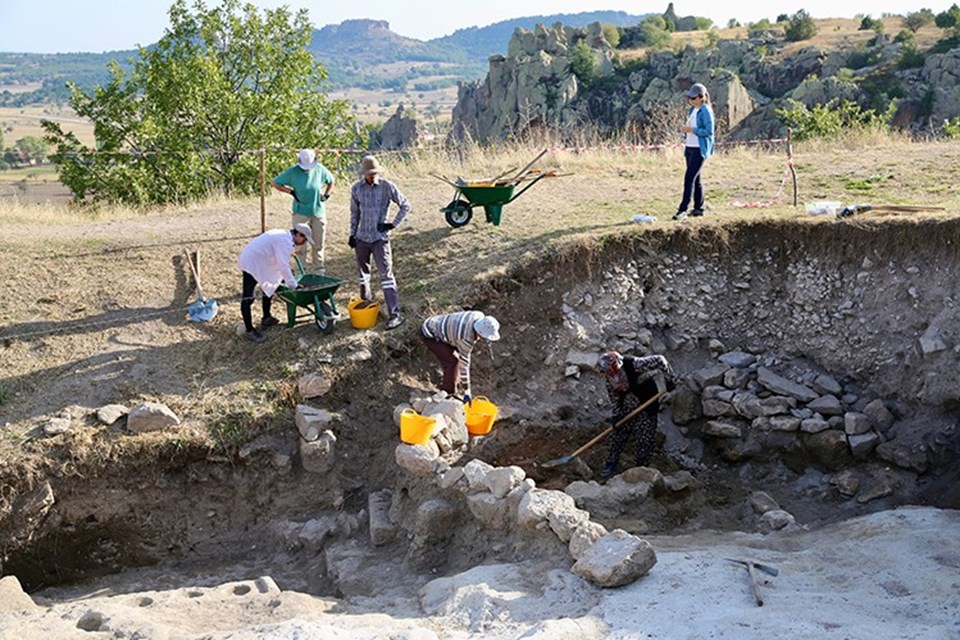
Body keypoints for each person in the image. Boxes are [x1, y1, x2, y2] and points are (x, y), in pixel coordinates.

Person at [348, 155, 411, 330]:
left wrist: (392, 224)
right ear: (363, 174)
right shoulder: (356, 189)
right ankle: (367, 305)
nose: (371, 176)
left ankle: (395, 314)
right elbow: (354, 214)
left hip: (379, 239)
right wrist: (352, 235)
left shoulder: (387, 187)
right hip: (362, 237)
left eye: (374, 173)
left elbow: (405, 205)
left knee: (386, 275)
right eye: (368, 174)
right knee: (363, 274)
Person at [596, 351, 677, 480]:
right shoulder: (609, 379)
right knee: (618, 434)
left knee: (645, 438)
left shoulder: (633, 364)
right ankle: (611, 464)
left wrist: (670, 379)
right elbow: (614, 397)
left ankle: (641, 469)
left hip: (647, 402)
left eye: (609, 370)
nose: (607, 374)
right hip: (629, 404)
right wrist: (617, 415)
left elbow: (660, 360)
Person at [237, 224, 313, 343]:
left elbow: (278, 253)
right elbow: (283, 267)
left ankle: (266, 318)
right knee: (248, 297)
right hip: (251, 262)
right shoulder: (285, 241)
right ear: (299, 234)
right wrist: (294, 285)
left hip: (259, 260)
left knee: (272, 282)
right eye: (304, 239)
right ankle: (249, 330)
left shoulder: (285, 236)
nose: (304, 242)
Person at [271, 148, 334, 274]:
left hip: (318, 212)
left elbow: (331, 180)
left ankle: (319, 271)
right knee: (300, 245)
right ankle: (301, 271)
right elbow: (275, 182)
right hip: (300, 213)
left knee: (318, 243)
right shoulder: (293, 172)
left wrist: (327, 194)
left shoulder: (320, 169)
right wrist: (290, 192)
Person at [420, 311, 500, 402]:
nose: (483, 339)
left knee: (456, 359)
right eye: (483, 336)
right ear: (479, 331)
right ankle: (448, 393)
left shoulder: (478, 315)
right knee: (453, 362)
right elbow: (464, 364)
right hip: (430, 333)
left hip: (441, 326)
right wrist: (467, 391)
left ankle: (455, 384)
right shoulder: (465, 338)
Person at [673, 83, 715, 221]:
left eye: (693, 97)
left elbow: (709, 132)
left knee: (689, 178)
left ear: (701, 97)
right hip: (690, 148)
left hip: (699, 149)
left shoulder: (706, 111)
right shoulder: (692, 110)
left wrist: (692, 130)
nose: (690, 100)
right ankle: (698, 208)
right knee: (696, 179)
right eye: (689, 97)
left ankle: (683, 209)